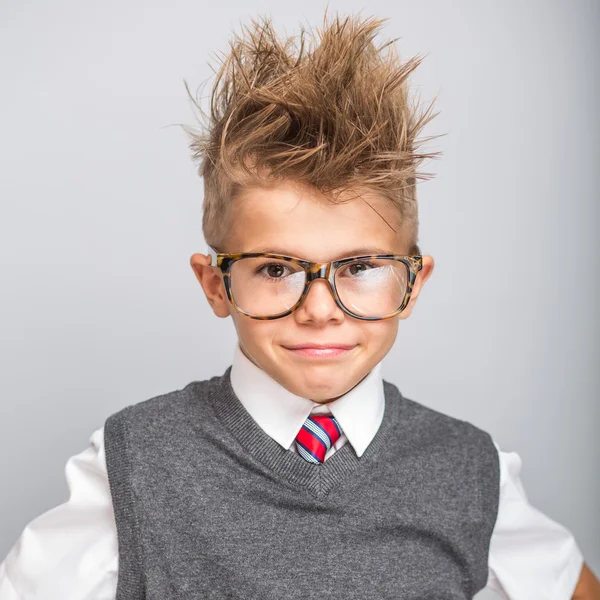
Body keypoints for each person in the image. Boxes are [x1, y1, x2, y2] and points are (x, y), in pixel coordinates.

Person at [1, 11, 598, 600]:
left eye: (360, 267)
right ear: (215, 285)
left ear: (411, 285)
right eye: (277, 269)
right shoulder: (134, 460)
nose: (319, 310)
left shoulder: (469, 468)